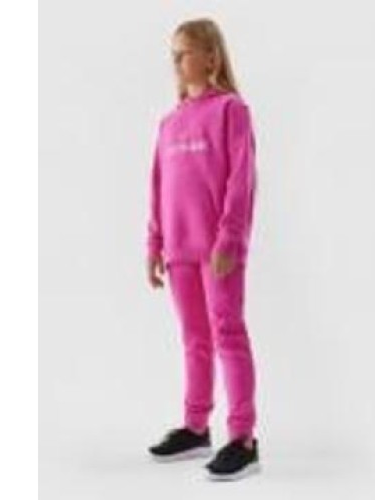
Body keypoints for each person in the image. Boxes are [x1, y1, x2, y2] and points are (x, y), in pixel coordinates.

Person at [145, 17, 260, 481]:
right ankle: (196, 427)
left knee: (227, 333)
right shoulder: (169, 123)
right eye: (172, 54)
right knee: (194, 338)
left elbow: (241, 180)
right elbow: (158, 187)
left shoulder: (232, 110)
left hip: (218, 251)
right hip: (179, 250)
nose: (175, 61)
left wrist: (229, 237)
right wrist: (154, 242)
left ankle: (243, 438)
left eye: (184, 52)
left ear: (210, 57)